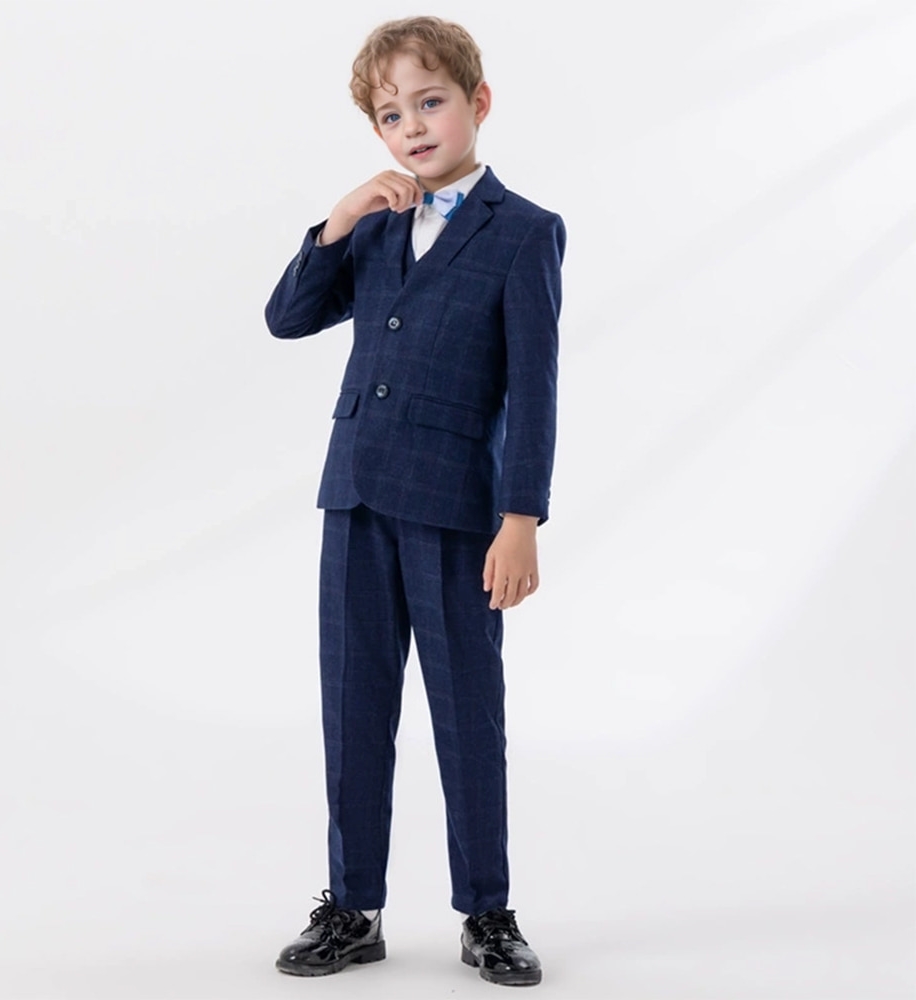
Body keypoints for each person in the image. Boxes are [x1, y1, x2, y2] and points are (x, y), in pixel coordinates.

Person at [264, 14, 566, 988]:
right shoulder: (377, 223)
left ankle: (488, 911)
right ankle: (353, 907)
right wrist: (340, 217)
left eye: (429, 103)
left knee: (466, 715)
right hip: (355, 497)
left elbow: (533, 389)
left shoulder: (523, 233)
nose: (413, 127)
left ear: (478, 102)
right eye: (391, 115)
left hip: (456, 509)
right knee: (353, 707)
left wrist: (520, 518)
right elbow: (287, 318)